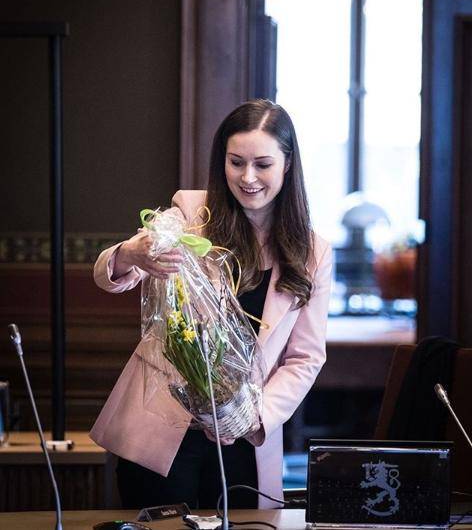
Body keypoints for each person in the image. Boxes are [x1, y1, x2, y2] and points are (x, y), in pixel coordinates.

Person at [90, 99, 332, 510]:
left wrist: (255, 417)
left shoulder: (313, 252)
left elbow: (305, 358)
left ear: (288, 165)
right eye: (236, 162)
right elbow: (112, 275)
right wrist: (131, 253)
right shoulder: (189, 214)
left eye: (263, 164)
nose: (248, 177)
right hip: (162, 430)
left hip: (242, 438)